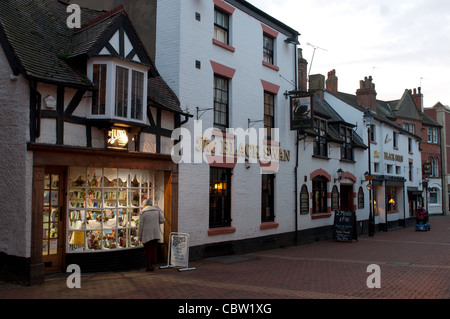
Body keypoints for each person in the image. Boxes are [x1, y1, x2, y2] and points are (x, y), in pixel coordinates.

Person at [138, 199, 165, 271]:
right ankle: (153, 264)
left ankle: (148, 266)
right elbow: (162, 220)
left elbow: (140, 226)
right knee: (154, 250)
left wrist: (139, 236)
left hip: (147, 234)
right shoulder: (157, 211)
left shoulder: (143, 213)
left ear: (144, 205)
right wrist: (156, 222)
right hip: (156, 233)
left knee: (147, 251)